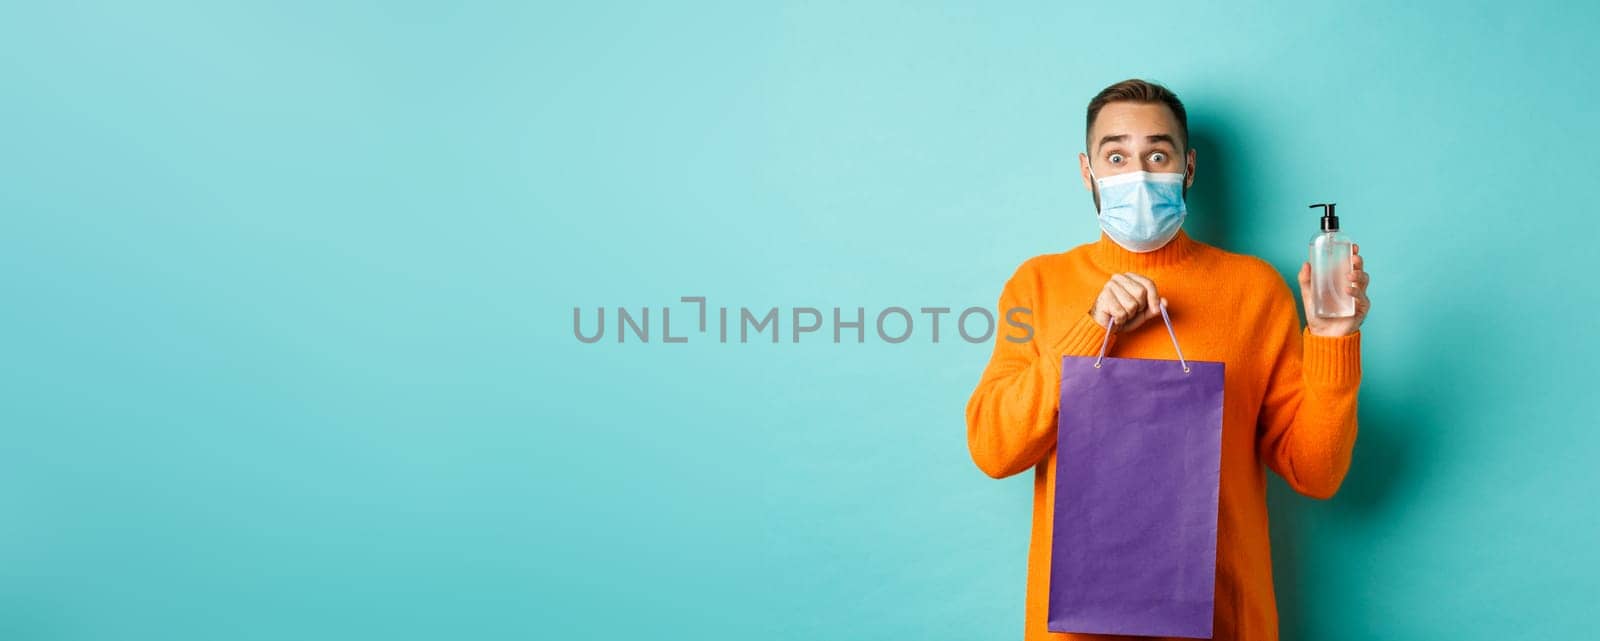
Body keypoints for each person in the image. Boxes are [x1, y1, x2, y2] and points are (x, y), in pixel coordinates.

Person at [965, 78, 1372, 641]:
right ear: (1088, 171)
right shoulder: (1037, 285)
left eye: (1157, 154)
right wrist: (1090, 330)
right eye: (1116, 155)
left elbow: (1317, 474)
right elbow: (993, 448)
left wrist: (1331, 339)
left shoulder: (1254, 289)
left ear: (1189, 167)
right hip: (1078, 629)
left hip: (1224, 621)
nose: (1138, 173)